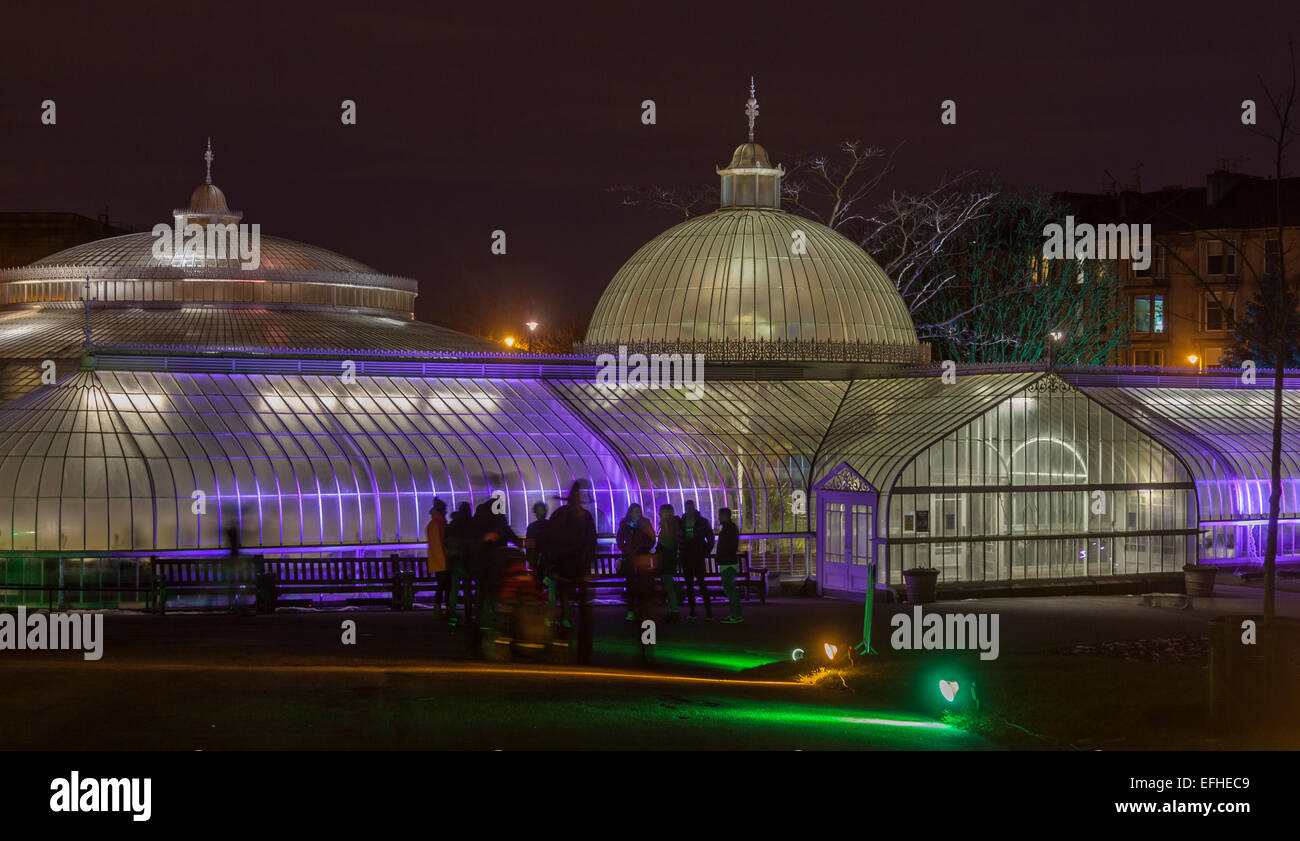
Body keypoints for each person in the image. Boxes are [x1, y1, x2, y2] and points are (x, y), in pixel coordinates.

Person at [544, 480, 597, 629]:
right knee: (573, 595)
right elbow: (591, 541)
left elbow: (551, 540)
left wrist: (552, 562)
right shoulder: (583, 517)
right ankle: (571, 620)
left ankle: (564, 619)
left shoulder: (561, 515)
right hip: (573, 564)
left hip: (567, 563)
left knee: (565, 593)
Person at [473, 497, 521, 632]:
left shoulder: (481, 518)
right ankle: (497, 621)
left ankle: (480, 620)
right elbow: (512, 537)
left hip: (484, 563)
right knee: (496, 591)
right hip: (497, 563)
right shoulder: (500, 520)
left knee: (483, 592)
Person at [616, 504, 656, 622]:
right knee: (631, 585)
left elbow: (652, 539)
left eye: (638, 512)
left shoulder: (644, 523)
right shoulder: (625, 524)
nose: (637, 514)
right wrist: (626, 549)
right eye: (635, 512)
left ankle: (641, 610)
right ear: (630, 513)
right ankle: (632, 610)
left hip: (642, 557)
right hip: (631, 558)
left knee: (643, 584)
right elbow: (619, 540)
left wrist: (642, 548)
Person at [679, 500, 715, 620]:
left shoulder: (684, 522)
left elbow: (710, 538)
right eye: (687, 508)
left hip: (692, 556)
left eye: (690, 508)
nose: (688, 510)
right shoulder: (701, 522)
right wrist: (705, 551)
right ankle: (702, 611)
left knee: (697, 584)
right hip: (691, 556)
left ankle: (696, 612)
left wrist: (704, 551)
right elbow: (710, 538)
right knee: (696, 584)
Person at [444, 501, 477, 628]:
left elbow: (445, 542)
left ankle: (452, 614)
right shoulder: (471, 525)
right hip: (467, 561)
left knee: (454, 589)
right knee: (467, 589)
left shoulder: (452, 524)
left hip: (453, 561)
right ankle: (468, 615)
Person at [655, 503, 682, 623]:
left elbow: (668, 542)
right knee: (669, 586)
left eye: (661, 511)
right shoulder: (674, 524)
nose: (659, 513)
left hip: (666, 559)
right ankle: (672, 611)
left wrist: (659, 549)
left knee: (668, 587)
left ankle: (674, 612)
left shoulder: (667, 524)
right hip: (670, 559)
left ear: (667, 512)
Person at [716, 507, 743, 623]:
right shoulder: (732, 528)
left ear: (725, 516)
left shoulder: (727, 529)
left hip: (726, 562)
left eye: (720, 515)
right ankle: (736, 614)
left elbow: (727, 546)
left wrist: (721, 556)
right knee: (731, 590)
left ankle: (735, 615)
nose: (718, 518)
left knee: (730, 590)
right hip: (729, 561)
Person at [426, 499, 449, 619]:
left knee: (441, 586)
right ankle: (443, 608)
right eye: (445, 510)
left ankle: (438, 608)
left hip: (438, 561)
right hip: (443, 561)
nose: (446, 512)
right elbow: (442, 544)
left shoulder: (433, 524)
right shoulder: (439, 524)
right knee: (444, 586)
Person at [524, 501, 550, 591]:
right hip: (548, 560)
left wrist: (531, 561)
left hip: (538, 560)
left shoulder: (532, 527)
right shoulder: (551, 525)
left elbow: (529, 546)